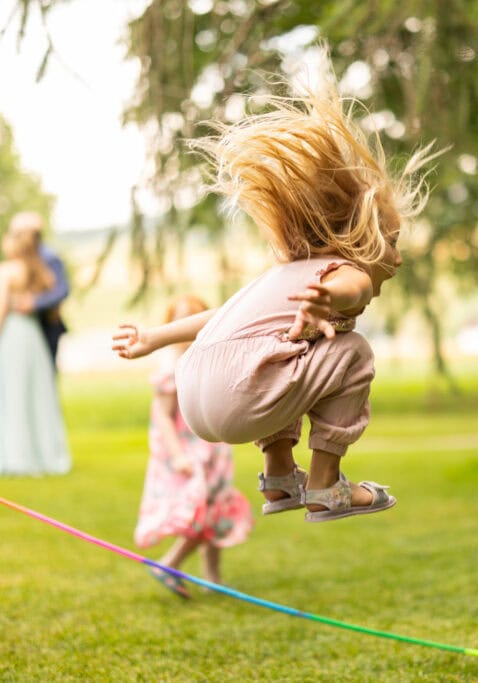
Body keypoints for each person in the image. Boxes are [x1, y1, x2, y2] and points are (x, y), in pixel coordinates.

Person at [113, 75, 436, 523]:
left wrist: (155, 337)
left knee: (294, 353)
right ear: (362, 240)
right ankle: (326, 485)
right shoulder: (346, 272)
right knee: (353, 353)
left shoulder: (279, 276)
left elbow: (219, 316)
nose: (398, 260)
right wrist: (330, 299)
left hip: (195, 395)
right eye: (393, 243)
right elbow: (354, 289)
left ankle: (280, 477)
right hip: (240, 395)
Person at [136, 294, 253, 599]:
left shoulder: (209, 360)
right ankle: (169, 564)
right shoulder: (171, 367)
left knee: (217, 508)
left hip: (214, 449)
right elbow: (161, 414)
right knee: (203, 514)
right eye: (180, 321)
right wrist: (177, 455)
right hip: (189, 453)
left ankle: (212, 577)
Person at [0, 228, 72, 477]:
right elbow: (55, 295)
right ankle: (47, 457)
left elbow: (1, 305)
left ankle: (18, 459)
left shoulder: (5, 270)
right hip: (33, 336)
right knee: (38, 395)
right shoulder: (37, 270)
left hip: (13, 334)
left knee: (14, 395)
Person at [8, 212, 70, 369]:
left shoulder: (49, 257)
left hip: (47, 324)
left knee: (46, 373)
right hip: (26, 325)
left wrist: (34, 302)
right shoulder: (17, 258)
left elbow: (63, 289)